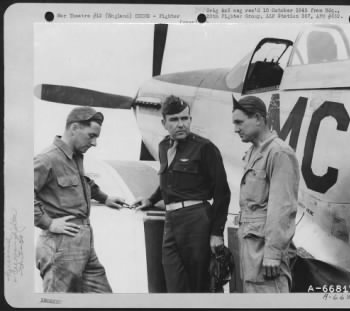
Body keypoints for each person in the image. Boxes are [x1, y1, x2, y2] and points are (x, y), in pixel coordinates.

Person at [135, 95, 231, 292]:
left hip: (197, 219)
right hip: (171, 221)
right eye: (174, 120)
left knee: (201, 284)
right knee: (173, 281)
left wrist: (216, 233)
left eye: (184, 118)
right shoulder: (164, 147)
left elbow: (223, 192)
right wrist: (151, 200)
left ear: (190, 120)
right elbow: (167, 181)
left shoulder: (205, 148)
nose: (181, 124)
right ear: (164, 123)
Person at [34, 106, 126, 293]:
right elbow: (17, 190)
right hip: (60, 245)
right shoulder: (47, 158)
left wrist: (105, 198)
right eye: (91, 136)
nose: (94, 143)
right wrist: (48, 222)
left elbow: (83, 183)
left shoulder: (76, 158)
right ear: (74, 128)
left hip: (84, 245)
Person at [231, 95, 299, 293]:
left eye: (239, 122)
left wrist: (273, 253)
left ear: (259, 119)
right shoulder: (253, 152)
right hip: (251, 254)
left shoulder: (279, 153)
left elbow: (282, 207)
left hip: (266, 257)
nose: (235, 129)